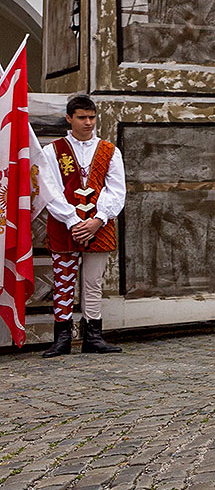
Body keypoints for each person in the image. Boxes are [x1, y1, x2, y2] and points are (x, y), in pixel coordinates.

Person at [34, 94, 126, 357]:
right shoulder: (53, 151)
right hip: (64, 225)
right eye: (82, 117)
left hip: (101, 225)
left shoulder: (110, 151)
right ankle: (62, 338)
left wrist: (98, 220)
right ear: (69, 118)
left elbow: (116, 190)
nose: (88, 122)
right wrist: (73, 220)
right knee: (63, 282)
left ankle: (93, 337)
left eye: (92, 117)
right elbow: (48, 189)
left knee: (93, 283)